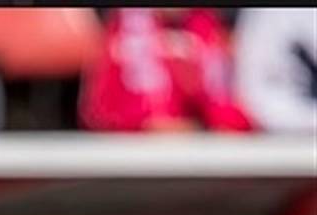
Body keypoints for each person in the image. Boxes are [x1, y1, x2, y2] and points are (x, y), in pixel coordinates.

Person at [79, 8, 253, 133]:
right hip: (132, 157)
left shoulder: (205, 27)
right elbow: (99, 112)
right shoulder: (124, 29)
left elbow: (229, 111)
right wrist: (148, 124)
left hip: (195, 155)